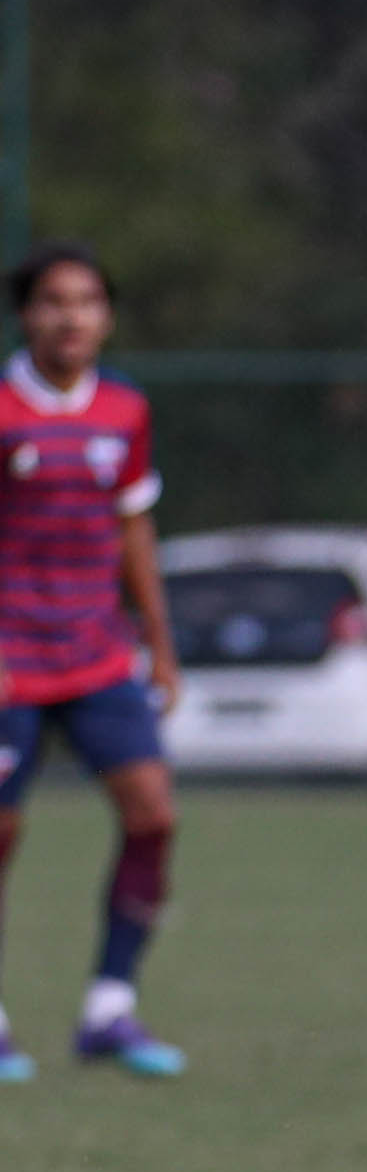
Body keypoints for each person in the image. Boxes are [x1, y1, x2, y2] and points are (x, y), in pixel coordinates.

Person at [0, 244, 184, 1082]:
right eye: (51, 301)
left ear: (106, 316)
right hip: (9, 654)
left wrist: (161, 644)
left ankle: (110, 1008)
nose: (69, 317)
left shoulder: (124, 410)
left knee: (153, 815)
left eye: (86, 302)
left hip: (97, 650)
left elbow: (133, 531)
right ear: (25, 314)